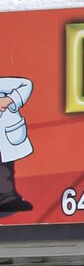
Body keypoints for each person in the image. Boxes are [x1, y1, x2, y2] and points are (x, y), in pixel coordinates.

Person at [0, 76, 35, 217]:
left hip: (4, 138)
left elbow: (26, 84)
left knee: (5, 169)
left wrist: (8, 100)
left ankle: (8, 200)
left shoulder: (3, 84)